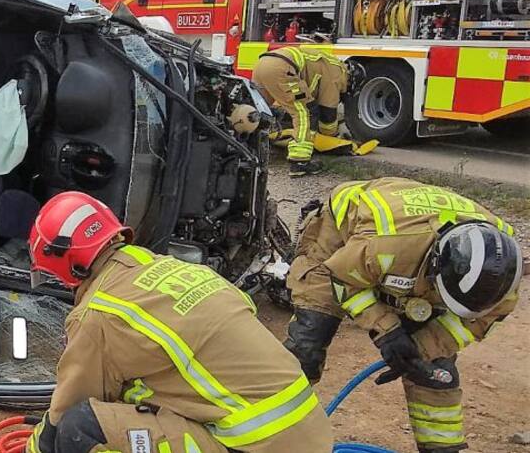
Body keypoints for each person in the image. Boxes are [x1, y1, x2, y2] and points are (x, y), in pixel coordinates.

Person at [26, 192, 333, 453]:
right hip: (310, 436)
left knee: (81, 427)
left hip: (251, 445)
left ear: (67, 264)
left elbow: (65, 410)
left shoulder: (99, 313)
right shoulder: (181, 270)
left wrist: (36, 444)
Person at [284, 177, 521, 453]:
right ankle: (275, 436)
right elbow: (343, 280)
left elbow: (471, 324)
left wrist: (419, 350)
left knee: (434, 369)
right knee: (308, 343)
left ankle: (441, 449)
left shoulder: (503, 279)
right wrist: (387, 332)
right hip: (340, 237)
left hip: (413, 246)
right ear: (435, 268)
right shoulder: (384, 245)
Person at [251, 47, 362, 177]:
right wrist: (333, 137)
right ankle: (300, 162)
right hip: (282, 68)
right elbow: (327, 112)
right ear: (351, 79)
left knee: (256, 112)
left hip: (262, 64)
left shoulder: (330, 63)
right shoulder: (338, 74)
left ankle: (250, 149)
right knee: (306, 112)